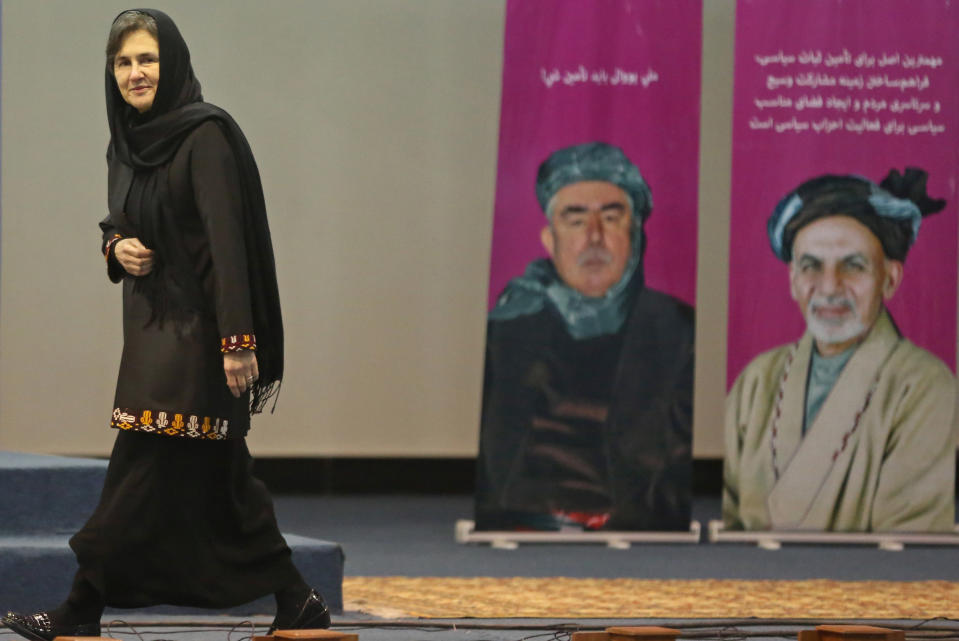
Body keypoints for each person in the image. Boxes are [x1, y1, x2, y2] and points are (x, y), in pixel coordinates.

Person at [2, 10, 330, 639]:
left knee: (138, 469)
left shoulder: (204, 136)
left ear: (171, 62)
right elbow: (117, 219)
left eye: (146, 59)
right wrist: (115, 248)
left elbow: (227, 245)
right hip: (152, 331)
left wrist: (238, 343)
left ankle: (79, 611)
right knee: (225, 483)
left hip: (200, 339)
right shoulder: (126, 140)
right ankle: (297, 599)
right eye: (123, 63)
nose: (135, 73)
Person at [475, 142, 695, 532]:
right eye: (575, 221)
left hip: (636, 531)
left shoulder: (676, 330)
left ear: (636, 232)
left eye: (610, 218)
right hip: (525, 528)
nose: (593, 237)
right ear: (549, 239)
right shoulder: (509, 326)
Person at [724, 168, 957, 532]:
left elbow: (909, 553)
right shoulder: (756, 382)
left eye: (853, 266)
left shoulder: (926, 389)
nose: (829, 288)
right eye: (811, 267)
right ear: (793, 281)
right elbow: (730, 524)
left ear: (890, 279)